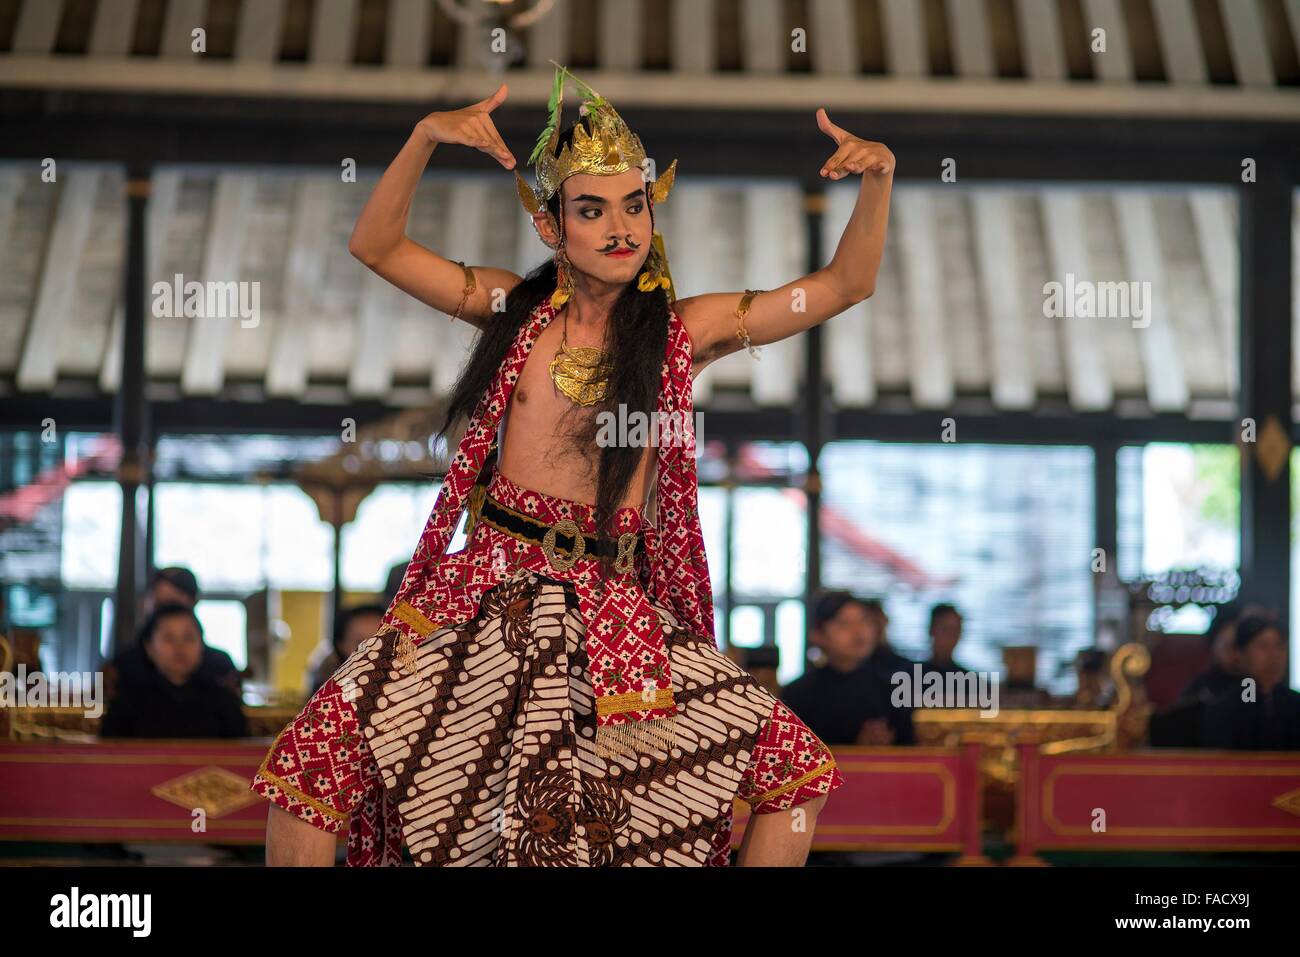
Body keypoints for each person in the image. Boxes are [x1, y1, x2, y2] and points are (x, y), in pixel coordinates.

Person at [254, 64, 893, 867]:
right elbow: (374, 244)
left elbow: (846, 283)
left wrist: (879, 181)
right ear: (552, 227)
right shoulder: (508, 309)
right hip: (485, 594)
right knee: (315, 762)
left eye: (635, 204)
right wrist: (424, 137)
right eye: (592, 209)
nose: (621, 226)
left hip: (611, 615)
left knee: (792, 769)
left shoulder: (679, 332)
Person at [781, 592, 914, 746]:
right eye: (844, 623)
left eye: (864, 621)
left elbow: (910, 751)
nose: (858, 631)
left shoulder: (893, 691)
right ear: (818, 635)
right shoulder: (798, 693)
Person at [100, 604, 248, 739]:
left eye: (188, 638)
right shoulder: (129, 700)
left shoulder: (222, 701)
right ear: (149, 648)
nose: (179, 647)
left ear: (202, 646)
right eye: (169, 638)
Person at [107, 567, 240, 702]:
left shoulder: (219, 667)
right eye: (160, 606)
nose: (178, 647)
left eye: (174, 606)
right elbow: (93, 707)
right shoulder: (124, 663)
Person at [1201, 614, 1300, 751]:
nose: (1274, 656)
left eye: (1280, 646)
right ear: (1240, 654)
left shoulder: (1295, 704)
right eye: (1263, 646)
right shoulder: (1225, 709)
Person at [309, 604, 385, 691]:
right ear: (341, 646)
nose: (372, 650)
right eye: (360, 642)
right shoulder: (329, 694)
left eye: (380, 641)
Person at [1179, 602, 1241, 704]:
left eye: (1238, 647)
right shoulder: (1201, 685)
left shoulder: (1249, 683)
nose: (1235, 654)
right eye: (1228, 647)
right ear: (1214, 645)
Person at [920, 603, 970, 678]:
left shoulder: (970, 681)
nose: (951, 637)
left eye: (955, 631)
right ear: (932, 630)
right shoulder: (910, 676)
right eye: (946, 630)